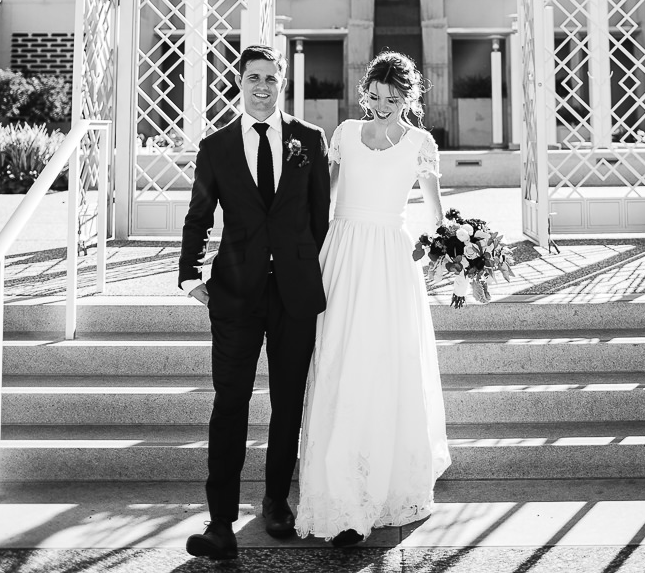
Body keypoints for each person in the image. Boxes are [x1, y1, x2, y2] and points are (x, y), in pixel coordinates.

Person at [179, 44, 330, 561]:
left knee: (288, 404)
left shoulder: (309, 140)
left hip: (294, 295)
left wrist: (318, 279)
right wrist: (188, 277)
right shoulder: (216, 146)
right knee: (230, 404)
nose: (262, 86)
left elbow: (320, 218)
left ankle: (276, 503)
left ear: (282, 81)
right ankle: (220, 521)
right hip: (236, 295)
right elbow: (199, 216)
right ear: (238, 82)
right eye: (253, 78)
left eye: (270, 77)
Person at [295, 50, 450, 546]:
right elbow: (322, 198)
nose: (383, 106)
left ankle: (384, 485)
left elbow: (434, 212)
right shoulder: (343, 134)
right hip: (342, 253)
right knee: (339, 358)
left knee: (386, 362)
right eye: (376, 96)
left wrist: (458, 251)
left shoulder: (421, 144)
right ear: (366, 93)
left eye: (394, 98)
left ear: (410, 98)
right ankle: (337, 490)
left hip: (390, 260)